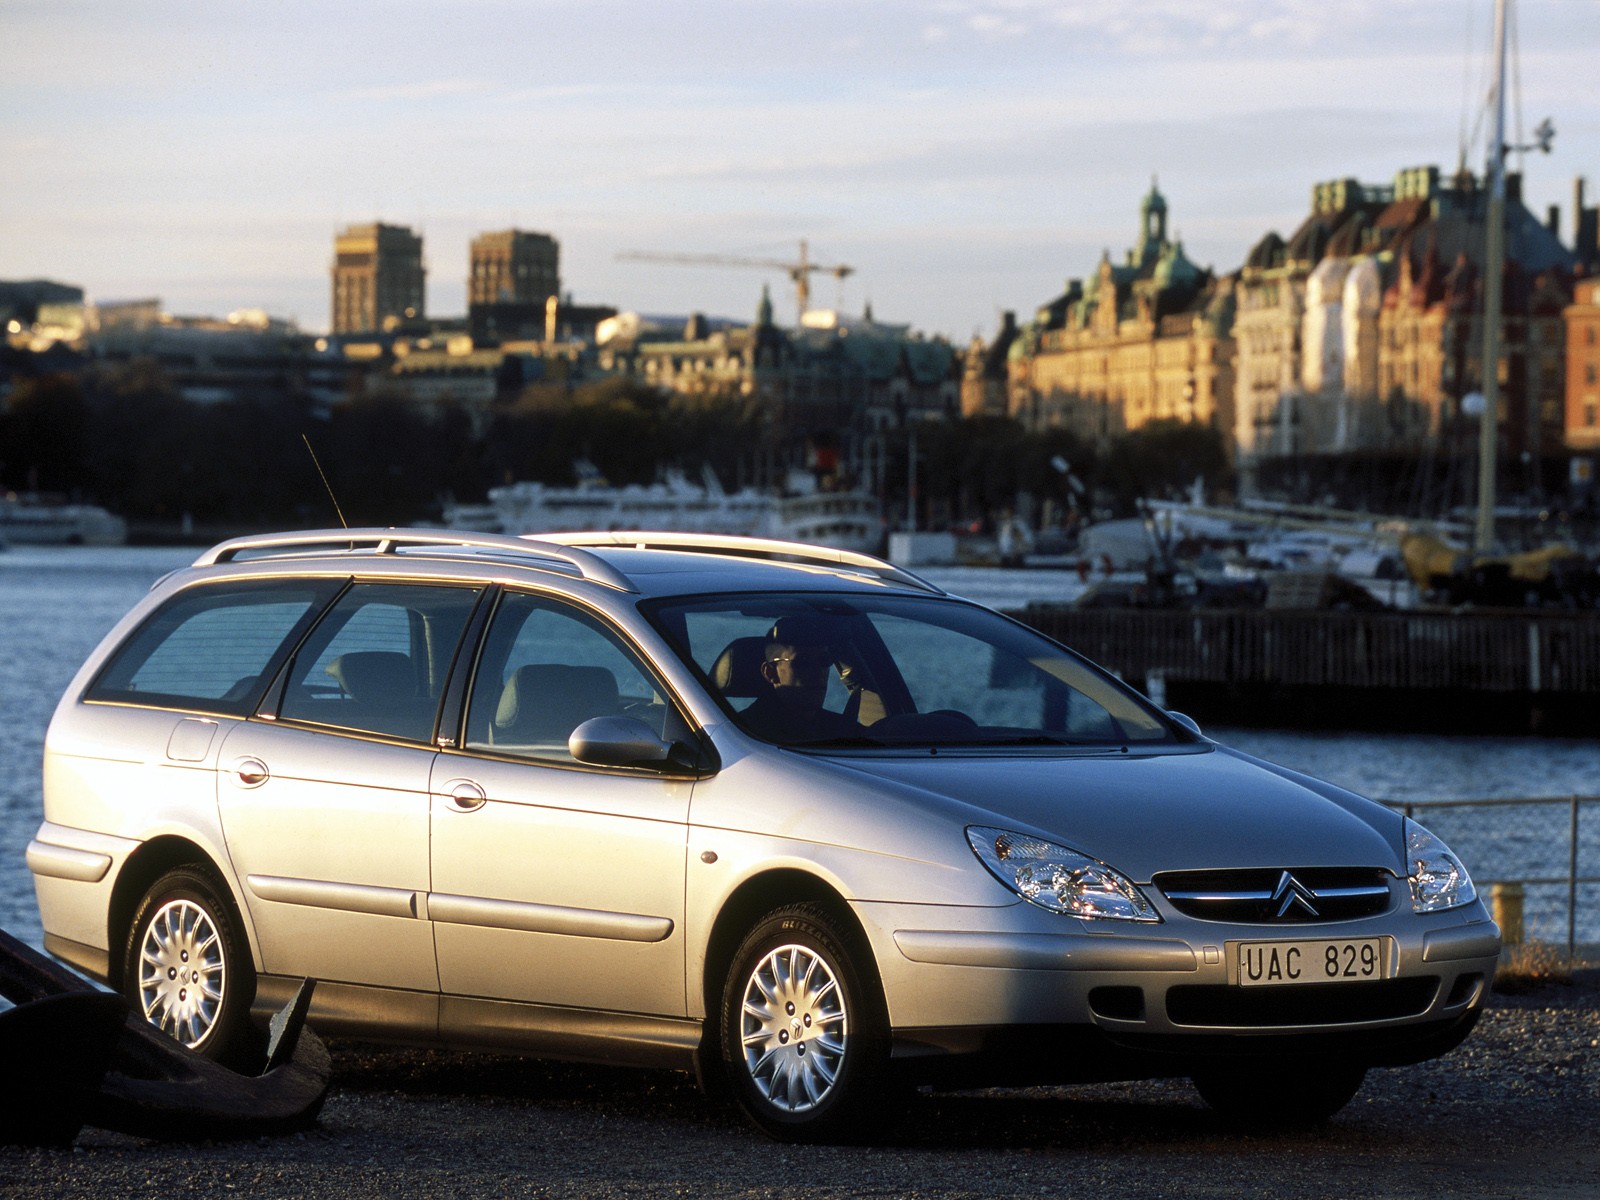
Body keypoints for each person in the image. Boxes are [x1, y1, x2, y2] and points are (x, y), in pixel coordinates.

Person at [737, 616, 858, 744]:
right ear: (770, 673)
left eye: (824, 660)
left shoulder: (845, 731)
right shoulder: (745, 736)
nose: (817, 671)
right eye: (802, 662)